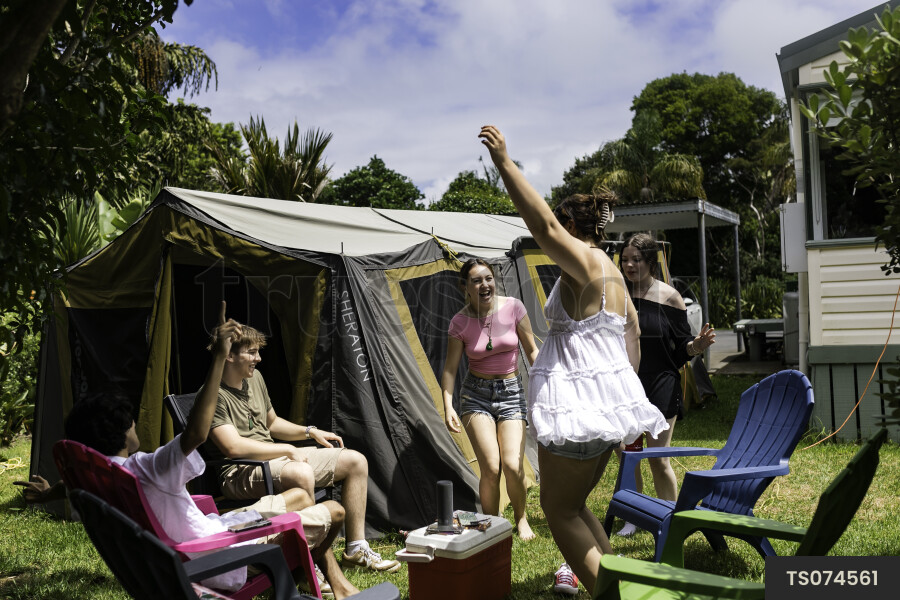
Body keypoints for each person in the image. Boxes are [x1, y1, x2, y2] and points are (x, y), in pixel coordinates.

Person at [479, 125, 669, 596]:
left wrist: (504, 162)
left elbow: (541, 225)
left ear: (572, 228)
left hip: (578, 417)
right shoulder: (614, 277)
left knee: (560, 513)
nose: (554, 235)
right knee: (577, 505)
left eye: (562, 227)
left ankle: (614, 597)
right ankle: (623, 587)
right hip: (601, 418)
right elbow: (634, 339)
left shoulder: (584, 262)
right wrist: (621, 406)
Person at [59, 302, 360, 599]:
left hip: (213, 532)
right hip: (220, 557)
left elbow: (80, 479)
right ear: (123, 432)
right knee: (333, 512)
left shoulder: (106, 475)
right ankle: (331, 584)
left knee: (300, 497)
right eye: (131, 423)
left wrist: (53, 490)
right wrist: (218, 356)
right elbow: (196, 435)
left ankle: (321, 581)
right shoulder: (151, 468)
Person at [206, 320, 400, 573]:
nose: (259, 358)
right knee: (301, 472)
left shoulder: (255, 379)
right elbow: (232, 447)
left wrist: (309, 431)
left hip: (273, 459)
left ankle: (356, 548)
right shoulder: (212, 395)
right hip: (239, 471)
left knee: (355, 461)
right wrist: (286, 450)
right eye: (252, 352)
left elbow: (272, 422)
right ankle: (309, 560)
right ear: (229, 355)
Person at [614, 233, 716, 537]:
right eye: (625, 259)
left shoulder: (668, 296)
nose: (630, 265)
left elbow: (679, 347)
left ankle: (671, 519)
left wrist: (696, 346)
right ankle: (633, 516)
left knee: (658, 457)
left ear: (650, 262)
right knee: (627, 457)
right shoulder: (617, 293)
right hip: (624, 386)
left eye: (636, 259)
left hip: (661, 382)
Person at [440, 258, 539, 541]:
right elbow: (449, 370)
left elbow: (532, 351)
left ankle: (521, 519)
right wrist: (448, 405)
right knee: (491, 468)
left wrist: (546, 384)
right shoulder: (459, 322)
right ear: (465, 288)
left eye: (488, 278)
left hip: (511, 392)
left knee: (512, 464)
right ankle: (493, 526)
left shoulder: (513, 308)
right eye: (476, 280)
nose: (485, 285)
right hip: (475, 396)